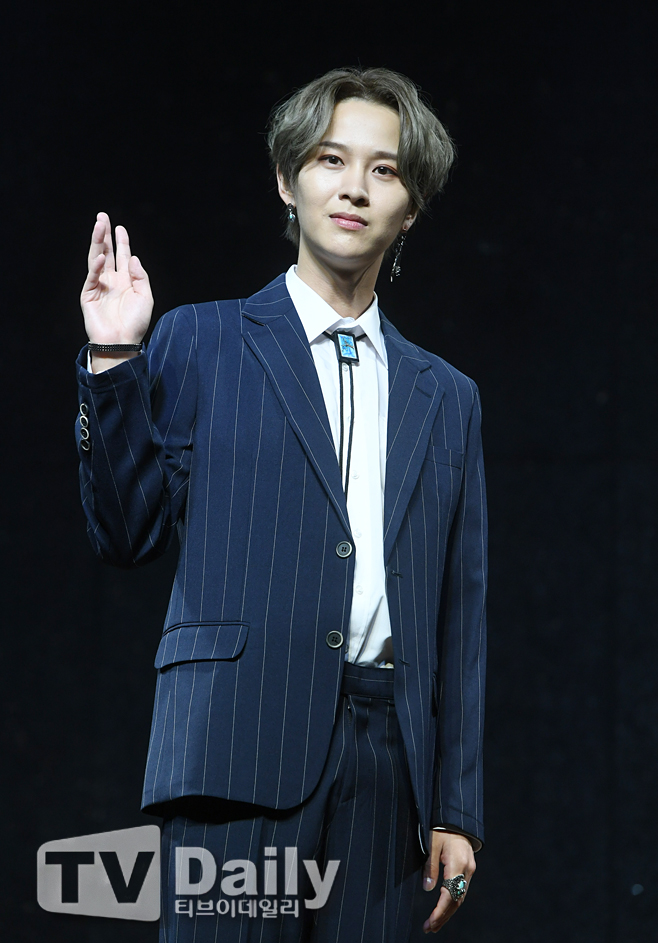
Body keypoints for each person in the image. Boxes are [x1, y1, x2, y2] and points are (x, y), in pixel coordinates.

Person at [76, 67, 487, 941]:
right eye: (330, 159)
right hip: (237, 739)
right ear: (286, 181)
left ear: (411, 207)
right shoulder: (203, 338)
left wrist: (456, 805)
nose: (354, 186)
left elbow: (460, 609)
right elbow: (125, 531)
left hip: (388, 769)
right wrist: (114, 362)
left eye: (384, 169)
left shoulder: (447, 395)